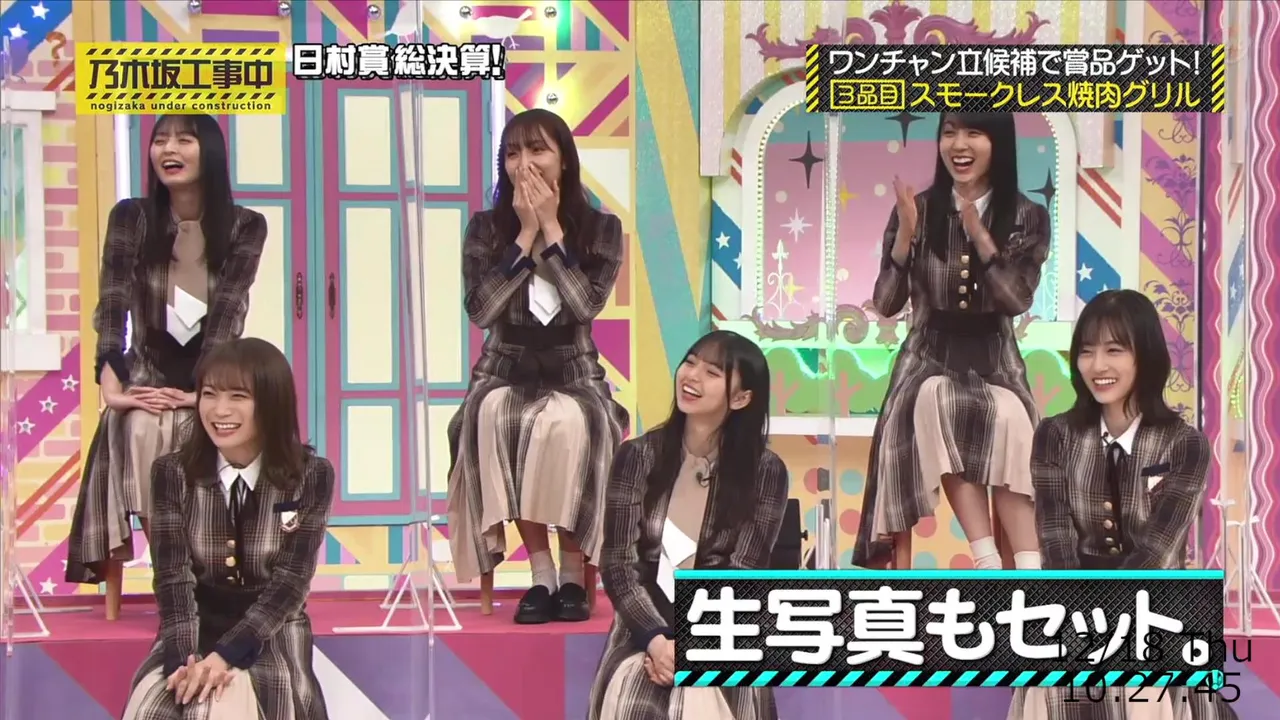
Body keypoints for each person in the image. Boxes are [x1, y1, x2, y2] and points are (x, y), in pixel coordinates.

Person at [67, 114, 267, 620]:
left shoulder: (245, 226)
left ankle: (212, 579)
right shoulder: (131, 217)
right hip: (146, 376)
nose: (168, 149)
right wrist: (113, 386)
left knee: (199, 427)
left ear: (209, 152)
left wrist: (205, 392)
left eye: (183, 140)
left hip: (215, 379)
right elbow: (112, 303)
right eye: (160, 140)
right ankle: (173, 579)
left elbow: (226, 315)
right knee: (140, 424)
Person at [1009, 290, 1235, 720]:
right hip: (1072, 600)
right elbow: (1055, 541)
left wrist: (1115, 620)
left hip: (1156, 602)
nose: (1098, 366)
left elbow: (1159, 550)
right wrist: (1077, 618)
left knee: (1140, 676)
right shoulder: (1055, 435)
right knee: (1052, 676)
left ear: (1144, 356)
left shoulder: (1185, 444)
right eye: (1087, 351)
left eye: (1114, 350)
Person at [447, 108, 627, 624]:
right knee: (496, 419)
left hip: (574, 369)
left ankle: (572, 574)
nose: (523, 163)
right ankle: (541, 574)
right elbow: (481, 311)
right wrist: (524, 237)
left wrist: (551, 229)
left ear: (564, 160)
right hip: (504, 366)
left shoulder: (602, 229)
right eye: (512, 153)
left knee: (576, 425)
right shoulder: (486, 230)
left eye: (537, 150)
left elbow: (585, 305)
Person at [852, 112, 1050, 571]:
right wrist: (905, 237)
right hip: (927, 355)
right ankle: (985, 558)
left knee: (1014, 422)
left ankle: (1030, 565)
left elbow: (1015, 299)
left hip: (995, 356)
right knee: (935, 401)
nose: (959, 145)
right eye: (949, 132)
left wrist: (980, 236)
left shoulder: (1027, 215)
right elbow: (886, 303)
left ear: (997, 142)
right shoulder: (918, 208)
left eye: (973, 132)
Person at [121, 337, 332, 720]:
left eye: (238, 396)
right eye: (209, 394)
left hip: (272, 628)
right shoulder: (171, 473)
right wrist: (183, 662)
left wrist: (225, 656)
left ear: (271, 402)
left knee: (244, 705)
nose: (220, 410)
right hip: (193, 624)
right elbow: (172, 578)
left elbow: (291, 583)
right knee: (157, 705)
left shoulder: (311, 476)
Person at [588, 330, 789, 720]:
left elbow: (743, 571)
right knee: (634, 690)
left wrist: (695, 645)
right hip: (642, 629)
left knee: (708, 691)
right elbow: (618, 564)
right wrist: (656, 640)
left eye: (712, 372)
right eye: (691, 363)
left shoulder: (765, 471)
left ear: (741, 398)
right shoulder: (637, 456)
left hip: (723, 627)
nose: (692, 376)